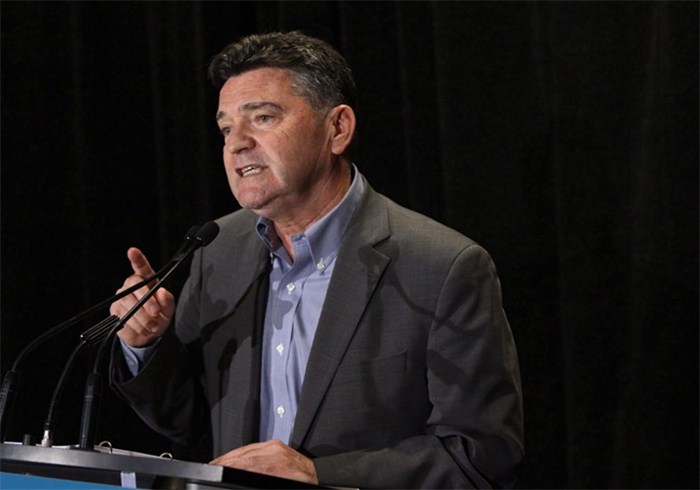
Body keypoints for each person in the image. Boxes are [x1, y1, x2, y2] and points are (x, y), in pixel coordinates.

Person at [109, 31, 523, 489]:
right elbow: (187, 420)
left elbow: (480, 452)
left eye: (262, 118)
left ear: (338, 129)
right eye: (226, 128)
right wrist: (145, 344)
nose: (237, 143)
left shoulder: (442, 266)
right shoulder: (219, 250)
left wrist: (318, 475)